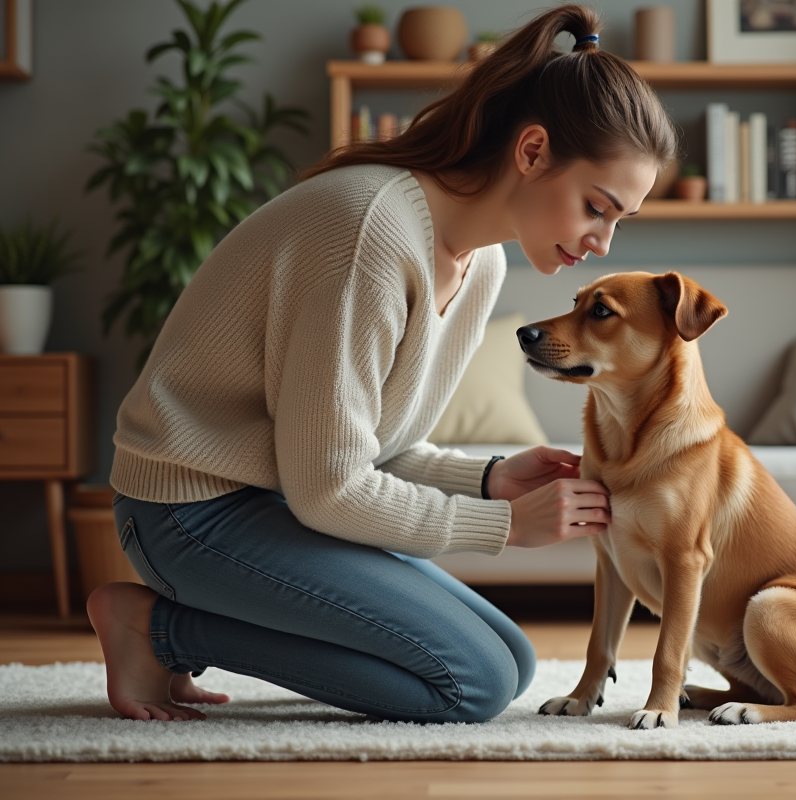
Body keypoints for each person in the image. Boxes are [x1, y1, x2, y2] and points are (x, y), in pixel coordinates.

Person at [87, 4, 677, 724]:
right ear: (531, 152)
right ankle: (156, 632)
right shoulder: (371, 232)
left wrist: (490, 479)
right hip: (186, 511)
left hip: (271, 495)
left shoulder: (480, 265)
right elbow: (330, 488)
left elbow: (374, 447)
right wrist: (505, 526)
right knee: (475, 682)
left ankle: (168, 629)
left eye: (621, 221)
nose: (603, 243)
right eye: (597, 207)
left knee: (513, 661)